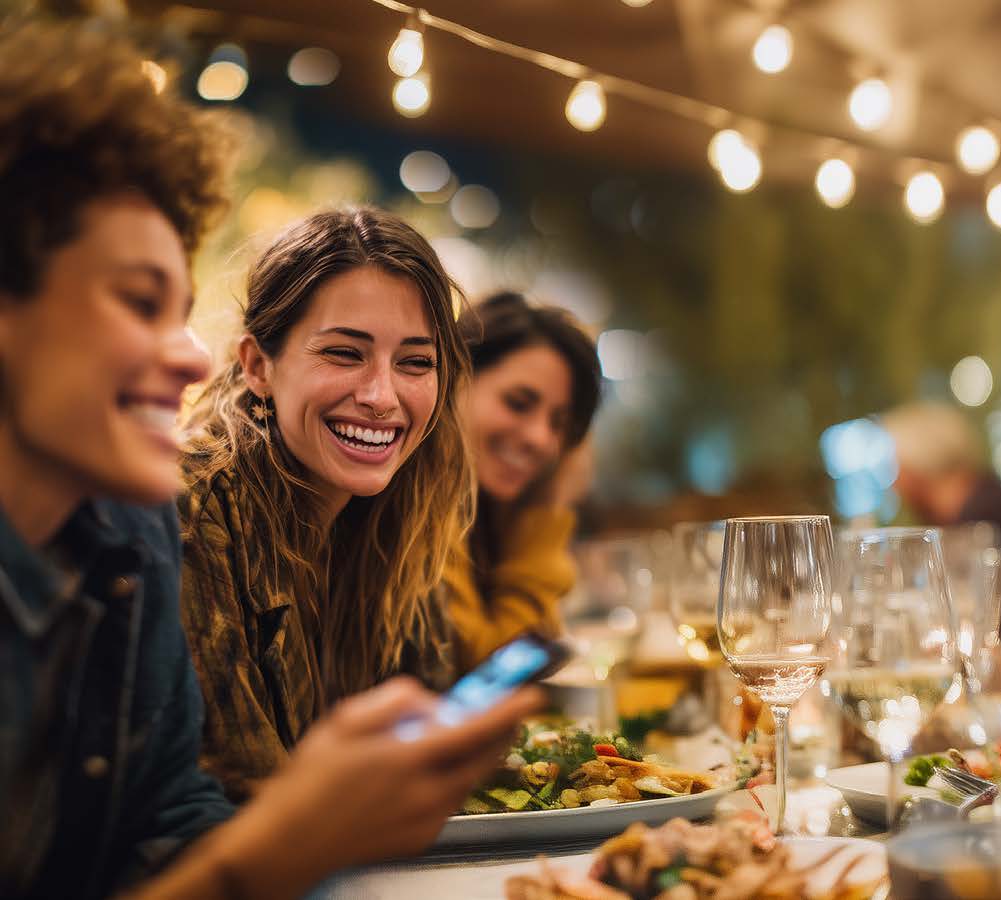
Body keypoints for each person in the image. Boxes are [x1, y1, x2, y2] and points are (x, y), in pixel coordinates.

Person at [0, 20, 536, 899]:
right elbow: (225, 824)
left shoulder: (125, 538)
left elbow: (170, 824)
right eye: (139, 302)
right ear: (257, 365)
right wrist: (299, 831)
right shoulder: (173, 518)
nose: (186, 354)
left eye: (415, 362)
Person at [179, 206, 478, 800]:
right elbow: (240, 794)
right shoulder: (192, 507)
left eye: (415, 362)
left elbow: (432, 733)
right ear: (258, 366)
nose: (381, 396)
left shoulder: (400, 511)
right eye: (344, 353)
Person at [443, 292, 603, 673]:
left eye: (559, 424)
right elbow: (493, 676)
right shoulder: (411, 513)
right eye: (517, 403)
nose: (542, 439)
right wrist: (547, 513)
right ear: (455, 379)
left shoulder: (491, 518)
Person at [880, 402, 1001, 549]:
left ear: (918, 463)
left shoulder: (985, 520)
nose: (894, 482)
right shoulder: (984, 502)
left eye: (896, 466)